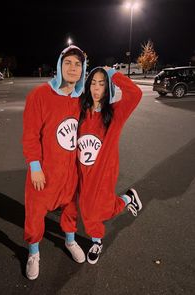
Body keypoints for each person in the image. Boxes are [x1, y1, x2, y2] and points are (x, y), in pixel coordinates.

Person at [22, 45, 87, 280]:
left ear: (83, 70)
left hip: (71, 172)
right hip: (45, 172)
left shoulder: (83, 100)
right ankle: (33, 252)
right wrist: (35, 166)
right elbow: (30, 136)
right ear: (60, 66)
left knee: (71, 208)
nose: (73, 68)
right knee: (35, 213)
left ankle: (70, 241)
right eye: (68, 62)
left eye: (78, 64)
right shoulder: (39, 96)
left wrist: (111, 76)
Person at [76, 66, 143, 264]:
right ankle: (127, 198)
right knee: (91, 208)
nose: (96, 89)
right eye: (93, 83)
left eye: (102, 84)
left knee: (95, 211)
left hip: (105, 171)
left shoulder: (115, 113)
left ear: (108, 88)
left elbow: (136, 94)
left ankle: (97, 241)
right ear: (88, 86)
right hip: (83, 172)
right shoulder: (80, 111)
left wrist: (113, 74)